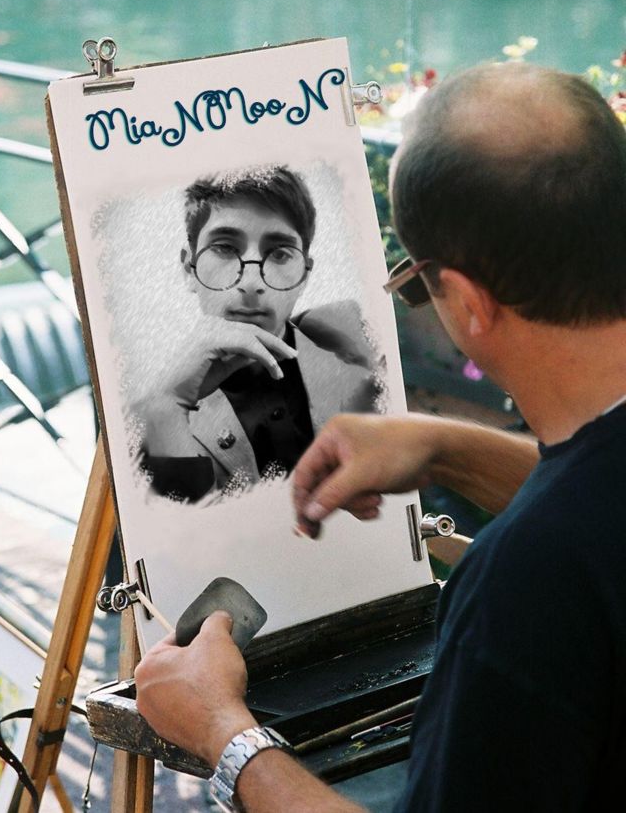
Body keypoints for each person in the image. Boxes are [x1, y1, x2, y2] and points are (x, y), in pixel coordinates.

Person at [134, 61, 626, 812]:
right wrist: (445, 446)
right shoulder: (569, 540)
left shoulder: (520, 589)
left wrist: (224, 734)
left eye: (416, 285)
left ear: (466, 302)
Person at [138, 164, 379, 504]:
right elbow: (181, 526)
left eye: (279, 254)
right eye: (225, 248)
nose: (251, 282)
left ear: (304, 274)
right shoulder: (141, 415)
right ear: (189, 269)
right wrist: (167, 406)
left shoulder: (361, 367)